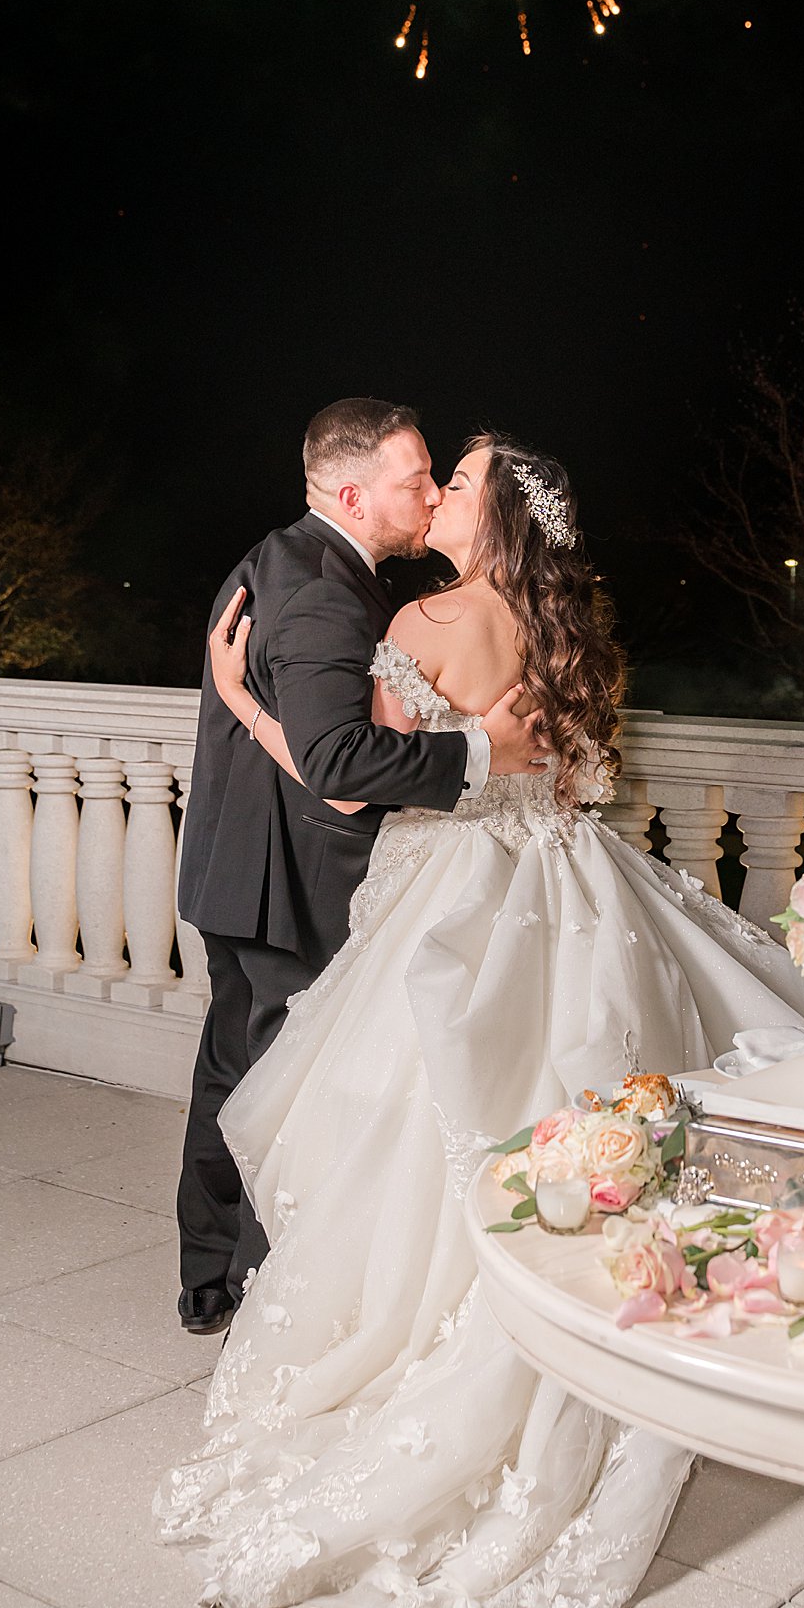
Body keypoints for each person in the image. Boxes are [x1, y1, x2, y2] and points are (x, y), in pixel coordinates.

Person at [155, 433, 804, 1608]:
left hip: (455, 899)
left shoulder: (422, 624)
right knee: (563, 1114)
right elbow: (568, 782)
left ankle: (426, 1337)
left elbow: (349, 782)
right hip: (577, 894)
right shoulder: (574, 634)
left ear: (492, 515)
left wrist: (244, 697)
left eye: (455, 480)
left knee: (418, 1132)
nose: (437, 493)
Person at [174, 399, 546, 1339]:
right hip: (285, 883)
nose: (427, 494)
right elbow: (338, 764)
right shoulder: (324, 592)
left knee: (235, 1076)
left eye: (436, 477)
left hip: (247, 869)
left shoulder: (306, 560)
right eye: (412, 478)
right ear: (352, 491)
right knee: (279, 1096)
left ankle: (210, 1278)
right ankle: (259, 1295)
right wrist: (480, 754)